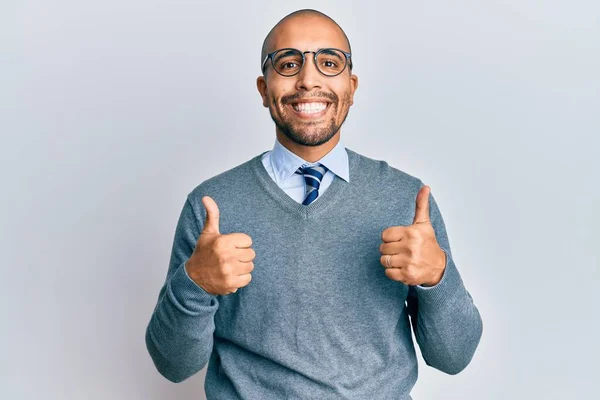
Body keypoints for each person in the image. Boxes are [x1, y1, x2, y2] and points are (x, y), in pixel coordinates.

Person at [145, 8, 483, 400]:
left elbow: (453, 357)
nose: (308, 80)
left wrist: (437, 277)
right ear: (263, 88)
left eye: (328, 63)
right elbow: (173, 365)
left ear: (351, 87)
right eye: (288, 64)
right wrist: (194, 284)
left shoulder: (406, 200)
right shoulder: (212, 206)